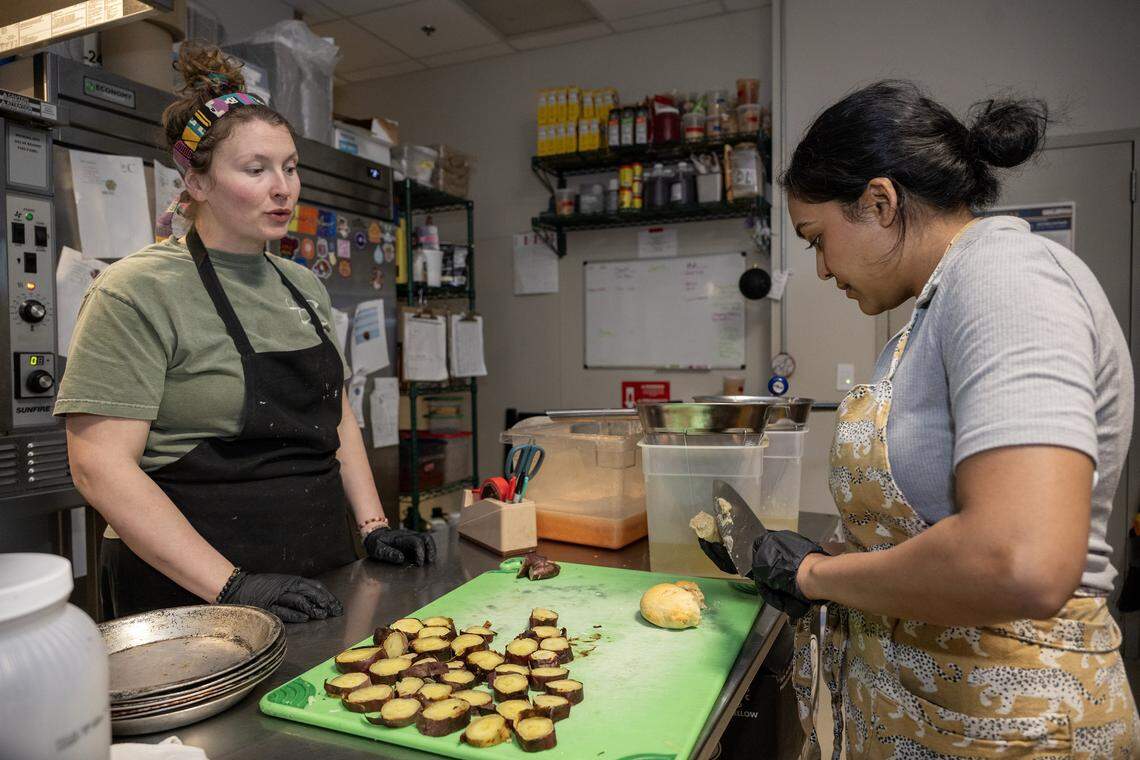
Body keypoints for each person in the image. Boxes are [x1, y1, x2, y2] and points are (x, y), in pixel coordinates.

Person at [703, 80, 1137, 756]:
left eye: (817, 239)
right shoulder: (935, 308)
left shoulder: (1006, 278)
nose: (819, 269)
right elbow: (934, 520)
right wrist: (838, 559)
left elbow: (1019, 560)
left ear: (880, 201)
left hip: (1016, 722)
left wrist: (815, 576)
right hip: (930, 710)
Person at [56, 43, 435, 624]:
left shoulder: (302, 285)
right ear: (197, 182)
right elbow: (99, 466)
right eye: (256, 170)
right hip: (190, 592)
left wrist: (373, 527)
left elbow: (335, 415)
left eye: (289, 167)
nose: (283, 188)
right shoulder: (136, 291)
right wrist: (231, 587)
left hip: (319, 571)